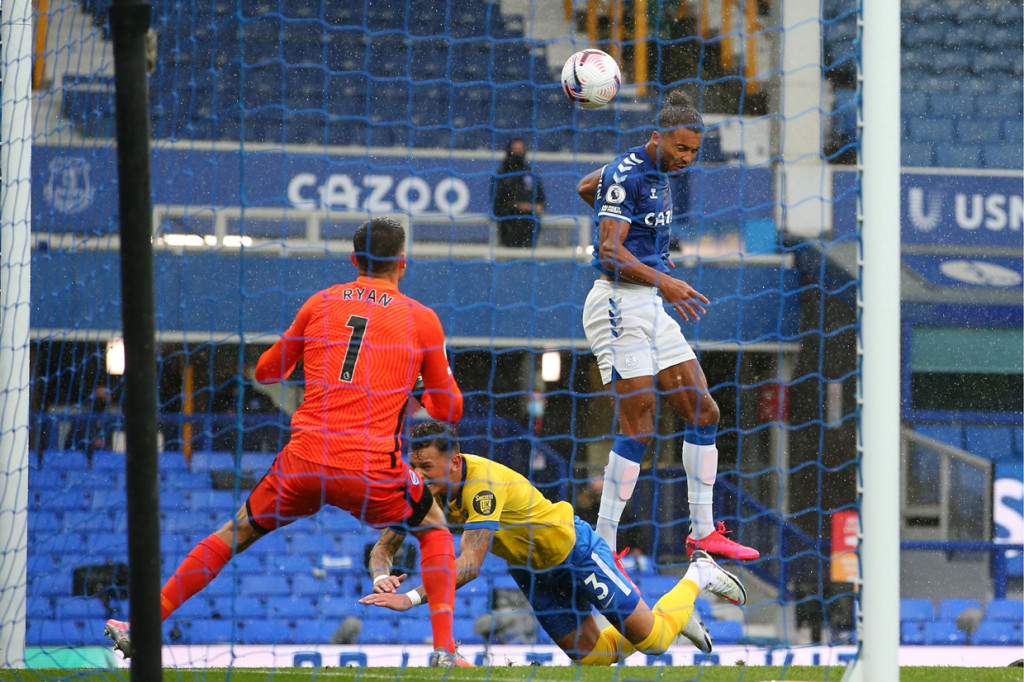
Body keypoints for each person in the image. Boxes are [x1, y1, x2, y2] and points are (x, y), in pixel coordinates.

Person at [104, 217, 469, 668]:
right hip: (370, 467)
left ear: (353, 260)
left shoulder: (320, 303)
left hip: (305, 460)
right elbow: (450, 410)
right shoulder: (421, 319)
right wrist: (423, 378)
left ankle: (140, 628)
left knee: (234, 532)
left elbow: (266, 371)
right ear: (403, 263)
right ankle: (444, 650)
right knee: (433, 528)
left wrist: (314, 356)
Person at [359, 421, 747, 664]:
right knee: (592, 659)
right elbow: (383, 548)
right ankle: (670, 616)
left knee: (655, 643)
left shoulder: (482, 488)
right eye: (414, 467)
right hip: (533, 572)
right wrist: (381, 579)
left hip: (573, 551)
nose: (418, 475)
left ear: (455, 462)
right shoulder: (422, 493)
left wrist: (410, 598)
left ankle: (700, 572)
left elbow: (471, 565)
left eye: (426, 467)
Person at [576, 90, 759, 562]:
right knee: (639, 427)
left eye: (694, 151)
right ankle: (603, 542)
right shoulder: (628, 173)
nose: (687, 159)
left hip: (648, 303)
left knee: (703, 411)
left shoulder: (653, 172)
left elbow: (587, 187)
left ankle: (702, 533)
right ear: (656, 137)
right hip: (617, 304)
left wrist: (648, 255)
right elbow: (609, 252)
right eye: (680, 148)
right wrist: (664, 279)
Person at [491, 137, 546, 247]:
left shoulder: (531, 173)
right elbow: (497, 203)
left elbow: (541, 199)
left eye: (520, 149)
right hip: (508, 224)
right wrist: (517, 205)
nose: (518, 152)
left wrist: (535, 207)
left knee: (528, 251)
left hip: (529, 224)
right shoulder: (501, 175)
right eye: (515, 149)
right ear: (509, 151)